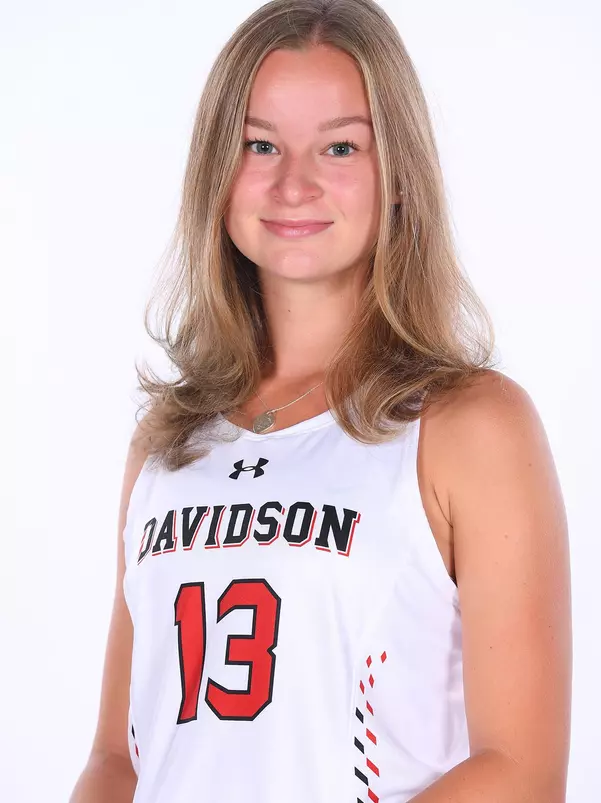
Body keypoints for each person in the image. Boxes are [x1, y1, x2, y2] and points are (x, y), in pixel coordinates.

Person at [69, 1, 571, 801]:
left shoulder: (469, 425)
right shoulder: (166, 440)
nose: (293, 183)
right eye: (259, 145)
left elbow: (520, 770)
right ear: (216, 171)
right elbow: (117, 759)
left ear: (397, 174)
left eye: (339, 146)